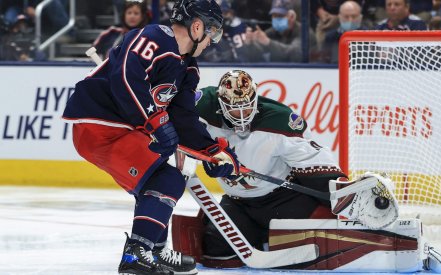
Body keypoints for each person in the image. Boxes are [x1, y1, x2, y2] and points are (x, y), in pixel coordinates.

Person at [62, 0, 240, 274]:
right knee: (165, 179)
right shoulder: (154, 37)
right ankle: (136, 254)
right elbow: (126, 77)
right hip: (98, 124)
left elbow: (183, 118)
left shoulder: (188, 69)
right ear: (196, 26)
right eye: (212, 31)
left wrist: (213, 151)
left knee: (159, 183)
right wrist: (155, 119)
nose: (212, 41)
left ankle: (154, 251)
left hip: (125, 131)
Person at [192, 70, 345, 264]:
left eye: (246, 108)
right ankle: (262, 238)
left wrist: (339, 186)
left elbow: (312, 158)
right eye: (233, 109)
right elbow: (179, 124)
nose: (241, 115)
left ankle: (268, 238)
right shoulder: (202, 109)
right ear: (221, 105)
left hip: (282, 200)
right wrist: (205, 153)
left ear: (256, 101)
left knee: (325, 241)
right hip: (238, 203)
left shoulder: (278, 120)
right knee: (216, 255)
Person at [243, 0, 317, 62]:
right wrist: (250, 44)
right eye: (274, 16)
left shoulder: (305, 32)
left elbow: (296, 54)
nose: (277, 19)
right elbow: (257, 55)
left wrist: (269, 43)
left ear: (292, 16)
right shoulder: (271, 32)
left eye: (280, 16)